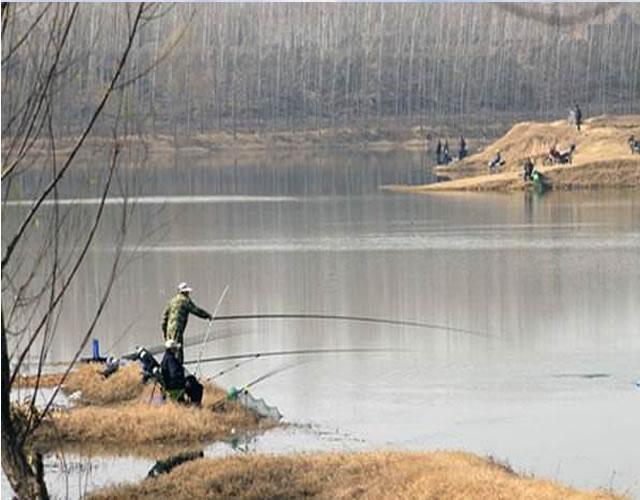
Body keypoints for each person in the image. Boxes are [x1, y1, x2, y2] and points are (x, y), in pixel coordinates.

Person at [161, 282, 212, 363]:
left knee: (169, 349)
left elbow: (164, 317)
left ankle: (168, 366)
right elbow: (196, 310)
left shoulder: (172, 301)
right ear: (185, 292)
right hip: (177, 329)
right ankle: (178, 368)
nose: (188, 293)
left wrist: (164, 331)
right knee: (178, 349)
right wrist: (207, 315)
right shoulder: (185, 301)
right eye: (187, 292)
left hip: (169, 329)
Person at [160, 339, 203, 405]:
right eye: (175, 348)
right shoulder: (171, 360)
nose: (177, 350)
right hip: (174, 385)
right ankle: (195, 405)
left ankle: (187, 403)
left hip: (170, 384)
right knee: (198, 387)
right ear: (172, 349)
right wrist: (184, 382)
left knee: (192, 379)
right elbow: (174, 374)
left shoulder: (166, 357)